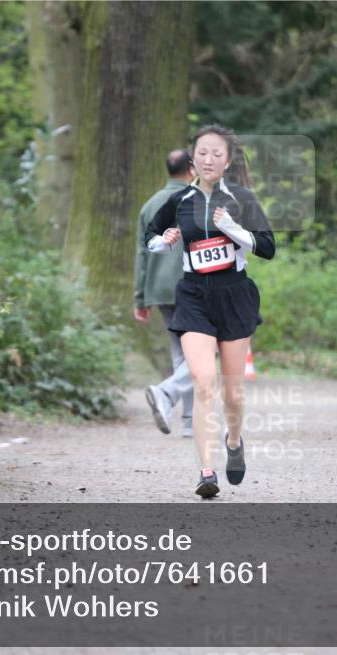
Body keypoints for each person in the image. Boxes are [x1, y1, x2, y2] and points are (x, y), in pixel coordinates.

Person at [143, 124, 276, 498]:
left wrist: (233, 229)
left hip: (234, 295)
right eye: (202, 153)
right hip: (194, 296)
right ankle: (206, 472)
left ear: (228, 160)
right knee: (204, 384)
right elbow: (151, 235)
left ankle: (234, 441)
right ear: (193, 159)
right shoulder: (179, 200)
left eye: (217, 153)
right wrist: (163, 242)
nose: (209, 159)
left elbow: (268, 247)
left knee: (232, 394)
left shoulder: (242, 198)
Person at [134, 150, 196, 439]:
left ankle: (181, 416)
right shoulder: (197, 199)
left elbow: (142, 253)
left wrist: (140, 298)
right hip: (192, 285)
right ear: (191, 169)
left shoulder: (149, 205)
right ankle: (186, 418)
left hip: (160, 289)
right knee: (201, 352)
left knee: (180, 353)